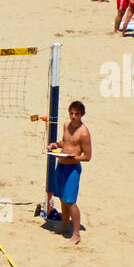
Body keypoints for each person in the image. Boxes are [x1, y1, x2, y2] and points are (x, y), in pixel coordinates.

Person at [48, 100, 91, 245]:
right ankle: (65, 225)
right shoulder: (66, 125)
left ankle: (76, 234)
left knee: (70, 202)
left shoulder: (84, 133)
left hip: (72, 169)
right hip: (61, 165)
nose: (73, 117)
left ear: (82, 115)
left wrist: (74, 158)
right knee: (61, 199)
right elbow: (64, 142)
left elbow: (87, 156)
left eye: (76, 114)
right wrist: (55, 144)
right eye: (71, 113)